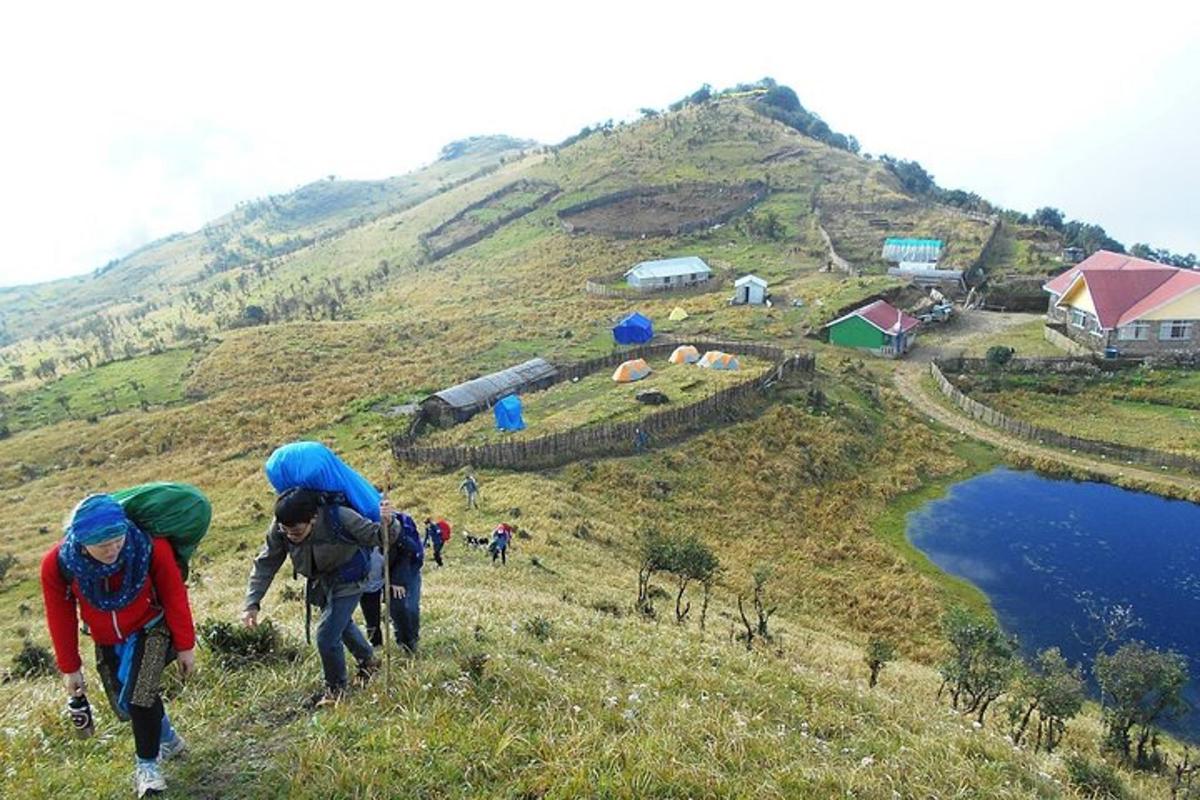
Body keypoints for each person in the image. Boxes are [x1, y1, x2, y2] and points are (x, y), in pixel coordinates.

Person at [41, 494, 196, 798]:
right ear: (81, 542)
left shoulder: (149, 547)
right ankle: (169, 739)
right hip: (108, 641)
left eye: (117, 540)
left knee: (141, 696)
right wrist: (70, 668)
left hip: (154, 629)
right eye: (103, 546)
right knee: (129, 703)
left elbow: (174, 594)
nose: (113, 549)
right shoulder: (59, 565)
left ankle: (148, 768)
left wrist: (185, 645)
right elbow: (59, 616)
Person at [242, 489, 410, 705]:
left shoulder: (340, 516)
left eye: (297, 530)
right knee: (340, 623)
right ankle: (368, 660)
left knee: (326, 634)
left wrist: (389, 522)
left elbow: (378, 536)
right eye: (285, 530)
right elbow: (266, 562)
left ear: (313, 517)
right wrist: (252, 603)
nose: (290, 535)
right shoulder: (282, 525)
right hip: (320, 583)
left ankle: (335, 690)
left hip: (350, 578)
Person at [387, 513, 424, 653]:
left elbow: (411, 550)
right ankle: (404, 642)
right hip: (386, 575)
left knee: (410, 607)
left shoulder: (403, 522)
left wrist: (398, 579)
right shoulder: (365, 521)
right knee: (398, 608)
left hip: (409, 570)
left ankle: (411, 641)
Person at [358, 547, 385, 647]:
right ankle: (375, 644)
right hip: (363, 584)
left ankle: (375, 644)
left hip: (381, 580)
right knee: (372, 618)